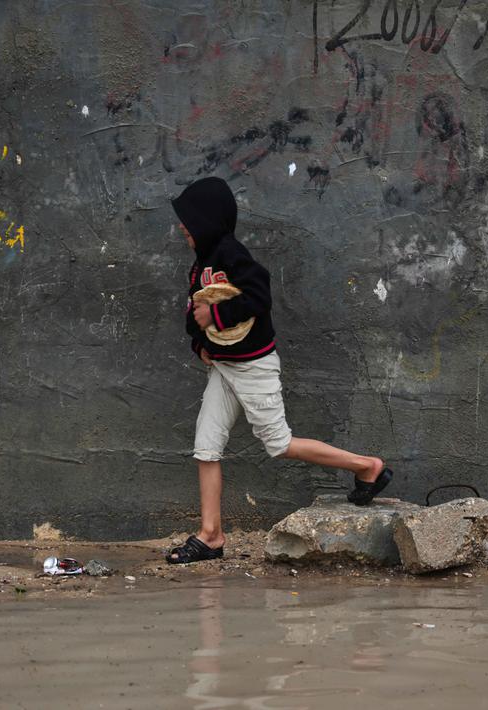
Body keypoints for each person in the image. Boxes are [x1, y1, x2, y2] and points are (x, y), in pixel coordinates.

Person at [166, 176, 393, 564]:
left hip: (254, 368)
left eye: (188, 219)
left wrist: (215, 314)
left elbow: (258, 295)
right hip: (223, 369)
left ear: (208, 220)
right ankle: (211, 536)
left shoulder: (230, 253)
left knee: (280, 444)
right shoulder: (200, 263)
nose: (182, 227)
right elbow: (195, 314)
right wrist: (200, 344)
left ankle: (367, 466)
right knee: (206, 447)